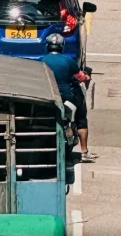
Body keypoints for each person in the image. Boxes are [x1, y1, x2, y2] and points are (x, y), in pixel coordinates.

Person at [41, 31, 93, 162]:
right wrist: (87, 77)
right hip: (67, 98)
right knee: (81, 118)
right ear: (62, 46)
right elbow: (81, 77)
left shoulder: (41, 61)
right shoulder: (68, 61)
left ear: (47, 46)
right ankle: (84, 151)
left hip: (46, 98)